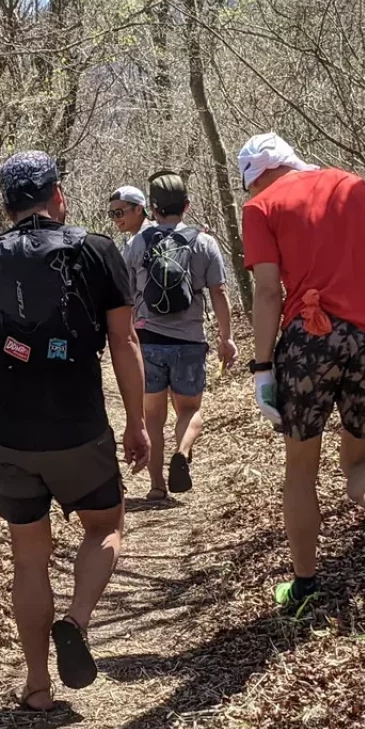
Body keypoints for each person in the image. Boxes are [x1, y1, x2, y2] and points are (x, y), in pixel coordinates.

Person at [0, 151, 150, 712]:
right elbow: (125, 342)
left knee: (28, 560)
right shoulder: (96, 250)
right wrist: (137, 423)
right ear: (57, 196)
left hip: (11, 434)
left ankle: (37, 688)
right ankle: (76, 621)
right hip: (80, 427)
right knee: (105, 525)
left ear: (6, 206)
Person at [237, 132, 365, 611]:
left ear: (256, 178)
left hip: (308, 345)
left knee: (300, 470)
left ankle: (305, 588)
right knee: (361, 461)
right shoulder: (355, 186)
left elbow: (268, 291)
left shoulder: (260, 208)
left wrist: (261, 368)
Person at [122, 170, 236, 501]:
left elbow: (126, 296)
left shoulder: (137, 243)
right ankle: (182, 452)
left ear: (152, 208)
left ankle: (157, 487)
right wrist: (226, 338)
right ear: (186, 205)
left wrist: (124, 340)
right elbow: (219, 292)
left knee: (153, 418)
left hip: (148, 341)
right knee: (189, 410)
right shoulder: (204, 242)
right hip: (189, 342)